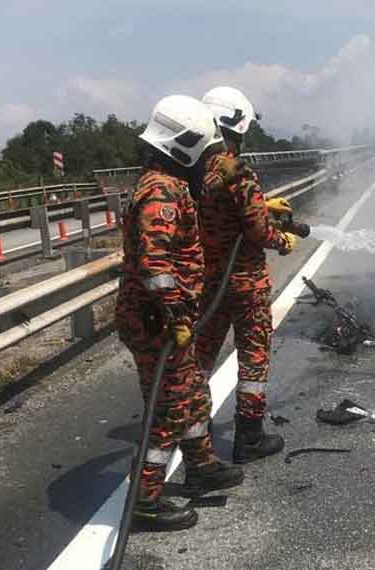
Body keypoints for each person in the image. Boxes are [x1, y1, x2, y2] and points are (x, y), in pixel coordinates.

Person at [115, 94, 243, 531]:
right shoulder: (161, 192)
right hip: (158, 322)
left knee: (192, 395)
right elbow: (155, 266)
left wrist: (226, 177)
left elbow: (191, 201)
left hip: (168, 319)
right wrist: (175, 316)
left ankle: (202, 467)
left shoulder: (166, 182)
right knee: (169, 408)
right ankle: (143, 502)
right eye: (205, 152)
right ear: (185, 147)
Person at [196, 86, 296, 464]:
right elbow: (256, 230)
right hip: (245, 283)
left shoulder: (195, 172)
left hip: (209, 281)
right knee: (253, 358)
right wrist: (281, 239)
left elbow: (223, 212)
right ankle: (249, 438)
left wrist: (261, 203)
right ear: (236, 126)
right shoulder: (237, 170)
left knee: (202, 354)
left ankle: (193, 429)